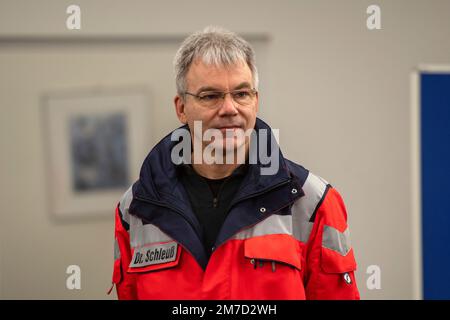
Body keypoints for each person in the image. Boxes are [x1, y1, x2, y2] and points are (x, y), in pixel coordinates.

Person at [110, 26, 360, 300]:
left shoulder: (313, 202)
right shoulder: (135, 208)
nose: (229, 108)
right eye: (210, 96)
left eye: (241, 94)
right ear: (181, 108)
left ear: (255, 101)